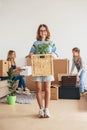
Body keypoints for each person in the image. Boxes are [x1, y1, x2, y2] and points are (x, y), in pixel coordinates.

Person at [28, 24, 58, 118]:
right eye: (41, 30)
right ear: (39, 32)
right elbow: (30, 53)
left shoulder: (51, 43)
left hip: (47, 68)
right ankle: (41, 109)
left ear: (47, 31)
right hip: (37, 68)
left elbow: (56, 54)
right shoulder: (35, 43)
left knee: (48, 89)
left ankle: (47, 109)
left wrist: (53, 54)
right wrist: (31, 55)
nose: (43, 32)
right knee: (39, 89)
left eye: (44, 30)